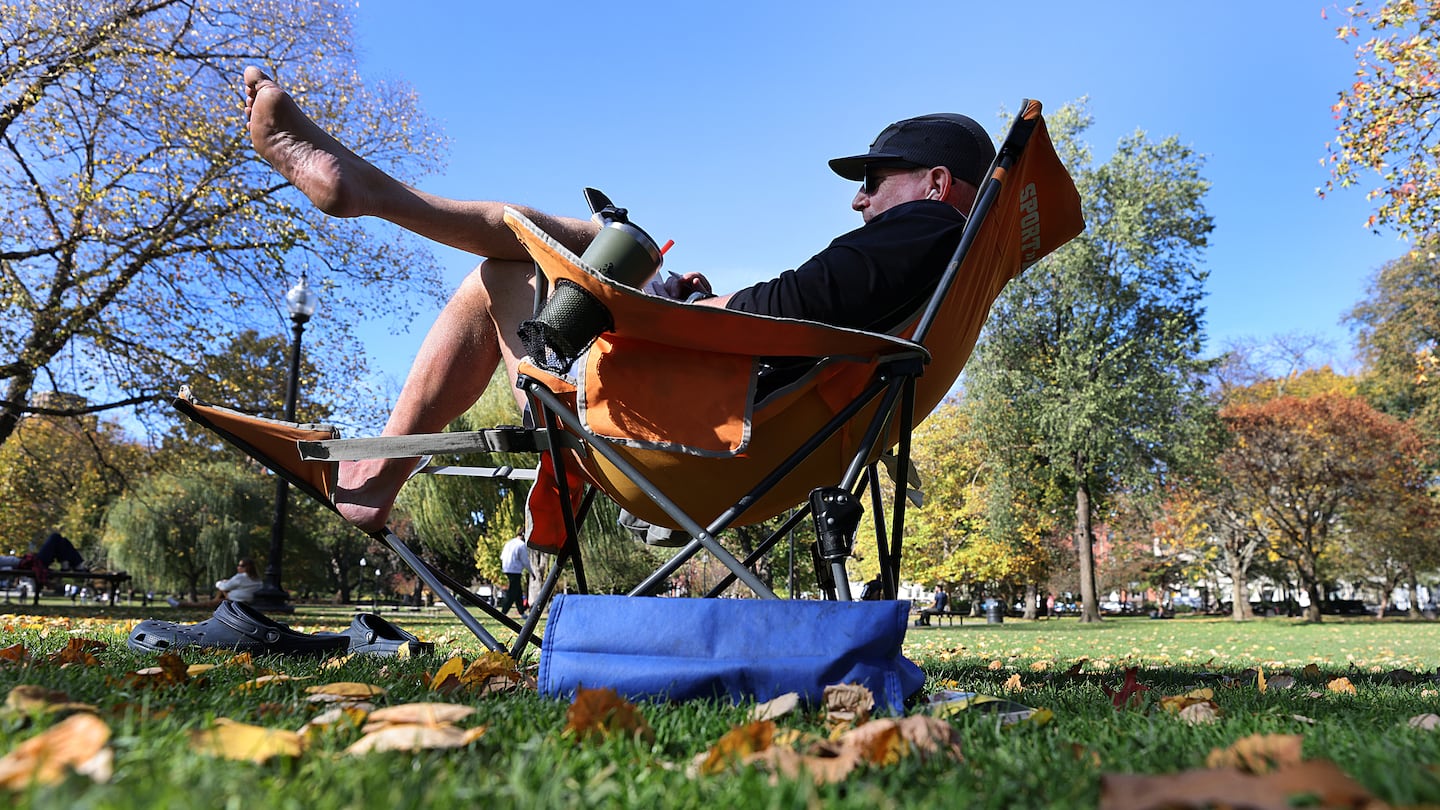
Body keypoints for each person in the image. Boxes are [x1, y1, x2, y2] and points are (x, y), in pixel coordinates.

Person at [241, 67, 995, 535]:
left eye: (876, 178)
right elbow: (807, 312)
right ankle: (376, 200)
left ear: (935, 182)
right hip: (754, 434)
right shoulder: (946, 265)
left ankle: (378, 200)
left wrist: (684, 305)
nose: (860, 199)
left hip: (681, 441)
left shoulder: (927, 229)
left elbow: (791, 306)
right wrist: (694, 300)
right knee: (578, 248)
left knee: (525, 263)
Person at [168, 558, 262, 609]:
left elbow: (224, 587)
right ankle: (213, 602)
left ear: (247, 567)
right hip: (247, 602)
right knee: (214, 601)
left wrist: (220, 582)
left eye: (241, 565)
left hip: (234, 602)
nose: (238, 567)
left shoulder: (241, 577)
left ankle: (180, 605)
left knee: (206, 603)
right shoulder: (258, 580)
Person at [0, 531, 88, 572]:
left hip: (31, 561)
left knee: (63, 541)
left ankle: (74, 564)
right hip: (33, 564)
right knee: (55, 536)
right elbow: (8, 567)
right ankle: (74, 565)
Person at [497, 533, 528, 617]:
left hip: (507, 568)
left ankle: (522, 612)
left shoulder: (509, 543)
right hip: (515, 570)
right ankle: (503, 612)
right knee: (512, 592)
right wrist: (531, 572)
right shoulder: (521, 545)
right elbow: (525, 560)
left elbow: (502, 557)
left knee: (518, 591)